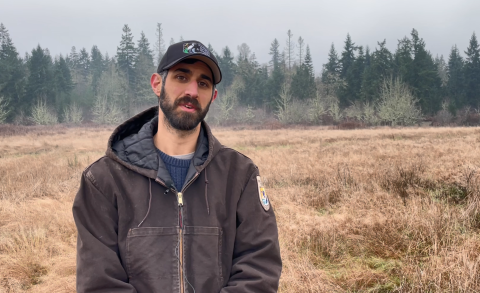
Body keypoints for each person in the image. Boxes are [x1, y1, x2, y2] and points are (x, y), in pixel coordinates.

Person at [73, 40, 282, 293]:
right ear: (157, 84)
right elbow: (99, 282)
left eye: (203, 83)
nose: (192, 91)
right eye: (181, 77)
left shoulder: (240, 176)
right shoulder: (104, 180)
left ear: (213, 97)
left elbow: (259, 268)